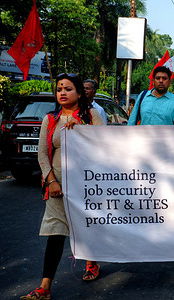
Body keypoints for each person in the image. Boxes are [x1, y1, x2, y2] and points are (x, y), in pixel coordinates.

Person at [21, 73, 105, 300]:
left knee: (88, 227)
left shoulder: (91, 115)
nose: (63, 93)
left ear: (79, 92)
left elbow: (106, 145)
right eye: (59, 89)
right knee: (55, 234)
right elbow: (42, 154)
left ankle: (92, 261)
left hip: (87, 184)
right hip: (57, 185)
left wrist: (83, 130)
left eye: (68, 89)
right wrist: (51, 180)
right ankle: (45, 287)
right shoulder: (50, 119)